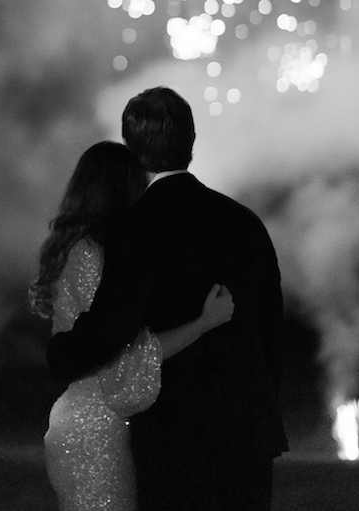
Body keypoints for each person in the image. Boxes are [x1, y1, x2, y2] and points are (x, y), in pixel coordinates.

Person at [46, 88, 288, 511]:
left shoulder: (134, 228)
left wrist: (61, 353)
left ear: (131, 146)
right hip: (247, 426)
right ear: (191, 141)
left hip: (174, 432)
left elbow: (112, 327)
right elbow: (270, 329)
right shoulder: (244, 222)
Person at [30, 140, 235, 511]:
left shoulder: (80, 249)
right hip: (96, 428)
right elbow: (120, 356)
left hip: (83, 422)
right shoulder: (91, 254)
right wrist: (204, 323)